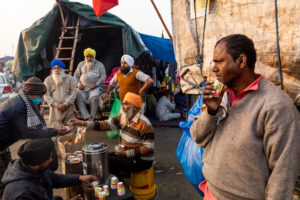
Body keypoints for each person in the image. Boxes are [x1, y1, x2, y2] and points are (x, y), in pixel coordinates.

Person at [190, 34, 300, 200]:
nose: (213, 68)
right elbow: (197, 137)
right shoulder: (221, 94)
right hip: (211, 192)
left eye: (219, 61)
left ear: (241, 61)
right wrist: (210, 113)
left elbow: (283, 173)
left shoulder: (276, 106)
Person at [0, 77, 69, 199]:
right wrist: (54, 131)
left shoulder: (24, 101)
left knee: (8, 173)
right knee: (3, 179)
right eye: (40, 95)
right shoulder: (18, 106)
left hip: (4, 145)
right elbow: (27, 133)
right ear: (31, 93)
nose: (42, 98)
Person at [69, 92, 154, 178]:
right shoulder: (123, 117)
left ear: (134, 107)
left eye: (126, 104)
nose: (122, 107)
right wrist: (82, 123)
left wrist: (126, 153)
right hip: (128, 153)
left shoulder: (144, 124)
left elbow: (148, 148)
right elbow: (104, 125)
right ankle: (120, 179)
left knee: (108, 162)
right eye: (123, 104)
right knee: (102, 157)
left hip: (141, 160)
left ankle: (119, 185)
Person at [1, 138, 97, 200]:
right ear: (38, 162)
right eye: (49, 157)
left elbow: (55, 178)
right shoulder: (24, 193)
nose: (51, 160)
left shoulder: (30, 166)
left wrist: (79, 178)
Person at [74, 48, 106, 121]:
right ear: (85, 57)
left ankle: (92, 117)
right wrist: (79, 84)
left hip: (95, 87)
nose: (89, 58)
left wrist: (95, 85)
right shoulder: (81, 64)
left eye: (91, 56)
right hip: (83, 88)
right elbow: (76, 76)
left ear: (94, 57)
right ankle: (87, 116)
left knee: (94, 98)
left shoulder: (100, 64)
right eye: (87, 56)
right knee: (78, 95)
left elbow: (103, 76)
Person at [44, 59, 77, 128]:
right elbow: (46, 94)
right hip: (55, 110)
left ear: (62, 69)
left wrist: (66, 104)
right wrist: (56, 104)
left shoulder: (70, 78)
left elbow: (74, 93)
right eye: (54, 68)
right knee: (56, 130)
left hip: (69, 108)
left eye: (58, 68)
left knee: (70, 129)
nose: (56, 70)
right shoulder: (48, 79)